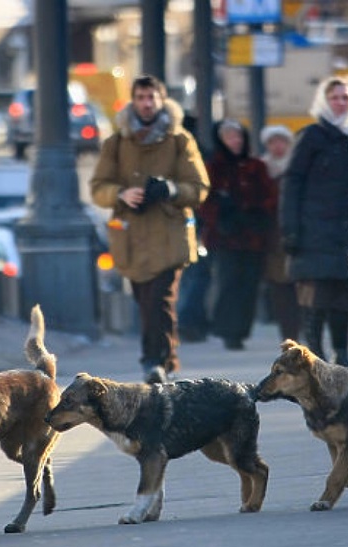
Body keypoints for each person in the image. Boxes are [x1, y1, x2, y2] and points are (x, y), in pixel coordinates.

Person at [90, 74, 210, 383]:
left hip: (170, 236)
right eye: (140, 98)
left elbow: (199, 187)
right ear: (133, 101)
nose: (146, 104)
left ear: (161, 100)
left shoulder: (179, 139)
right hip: (130, 238)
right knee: (145, 303)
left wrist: (170, 189)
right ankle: (167, 360)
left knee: (161, 300)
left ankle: (153, 361)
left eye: (151, 98)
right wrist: (121, 194)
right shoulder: (116, 143)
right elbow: (98, 188)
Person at [280, 74, 348, 366]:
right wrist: (290, 231)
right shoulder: (311, 136)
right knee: (315, 299)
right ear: (324, 100)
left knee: (344, 299)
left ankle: (342, 354)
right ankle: (314, 355)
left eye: (345, 97)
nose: (340, 103)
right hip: (313, 230)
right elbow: (291, 183)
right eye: (334, 97)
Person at [199, 119, 276, 350]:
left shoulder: (256, 166)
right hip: (224, 238)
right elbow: (204, 200)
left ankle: (242, 329)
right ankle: (228, 330)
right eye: (230, 137)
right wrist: (221, 216)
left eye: (239, 136)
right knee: (228, 282)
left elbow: (269, 196)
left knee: (250, 284)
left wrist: (256, 213)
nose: (235, 141)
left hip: (253, 236)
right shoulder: (213, 167)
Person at [259, 124, 300, 341]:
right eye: (273, 142)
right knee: (279, 287)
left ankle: (301, 329)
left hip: (297, 233)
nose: (277, 146)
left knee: (300, 286)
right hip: (273, 237)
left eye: (281, 141)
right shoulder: (261, 169)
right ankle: (288, 333)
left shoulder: (297, 166)